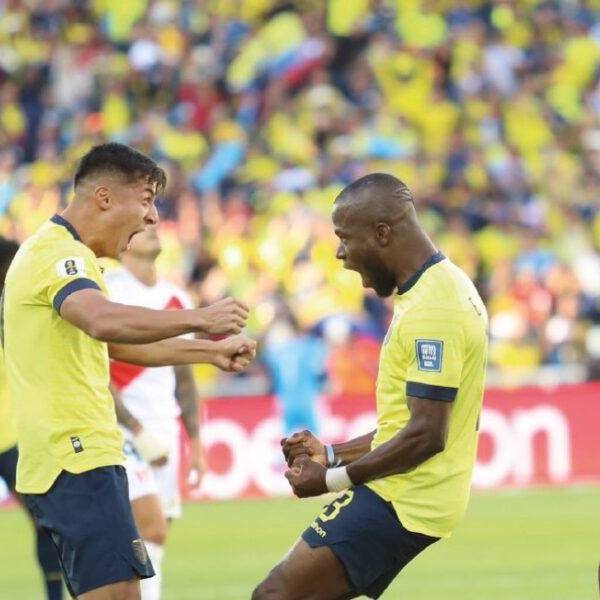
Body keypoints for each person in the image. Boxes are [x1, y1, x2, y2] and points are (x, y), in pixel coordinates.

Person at [3, 142, 256, 600]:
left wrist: (207, 352)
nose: (153, 217)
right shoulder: (58, 254)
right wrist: (200, 318)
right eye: (146, 199)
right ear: (104, 197)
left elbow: (116, 343)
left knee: (122, 593)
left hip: (81, 455)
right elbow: (103, 320)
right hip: (75, 455)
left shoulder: (71, 258)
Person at [253, 173, 488, 600]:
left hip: (406, 495)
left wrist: (331, 479)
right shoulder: (435, 287)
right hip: (408, 490)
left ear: (382, 233)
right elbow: (405, 425)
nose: (340, 253)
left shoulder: (434, 308)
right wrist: (330, 453)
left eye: (345, 237)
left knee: (275, 595)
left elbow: (426, 434)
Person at [105, 225, 205, 600]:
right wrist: (136, 429)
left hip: (165, 427)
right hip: (120, 429)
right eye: (141, 225)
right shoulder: (109, 292)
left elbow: (185, 379)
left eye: (154, 224)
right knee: (152, 528)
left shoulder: (177, 297)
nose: (152, 228)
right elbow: (96, 371)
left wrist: (196, 442)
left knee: (152, 541)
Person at [0, 237, 65, 600]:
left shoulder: (17, 308)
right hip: (12, 438)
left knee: (46, 524)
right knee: (46, 523)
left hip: (12, 437)